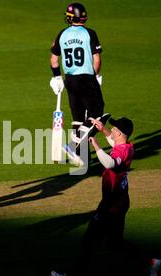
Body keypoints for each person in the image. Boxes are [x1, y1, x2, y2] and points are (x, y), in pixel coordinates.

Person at [50, 116, 161, 276]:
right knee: (115, 243)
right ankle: (151, 262)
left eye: (114, 128)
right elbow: (115, 143)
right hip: (121, 201)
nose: (113, 130)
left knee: (89, 242)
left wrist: (95, 145)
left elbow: (110, 162)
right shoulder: (128, 147)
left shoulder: (119, 153)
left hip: (110, 205)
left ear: (119, 132)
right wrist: (103, 130)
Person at [49, 2, 105, 166]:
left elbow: (54, 60)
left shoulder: (62, 34)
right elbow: (97, 59)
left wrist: (57, 77)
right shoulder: (90, 33)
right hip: (86, 78)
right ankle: (73, 146)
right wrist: (96, 76)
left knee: (78, 118)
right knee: (97, 112)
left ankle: (81, 156)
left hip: (70, 80)